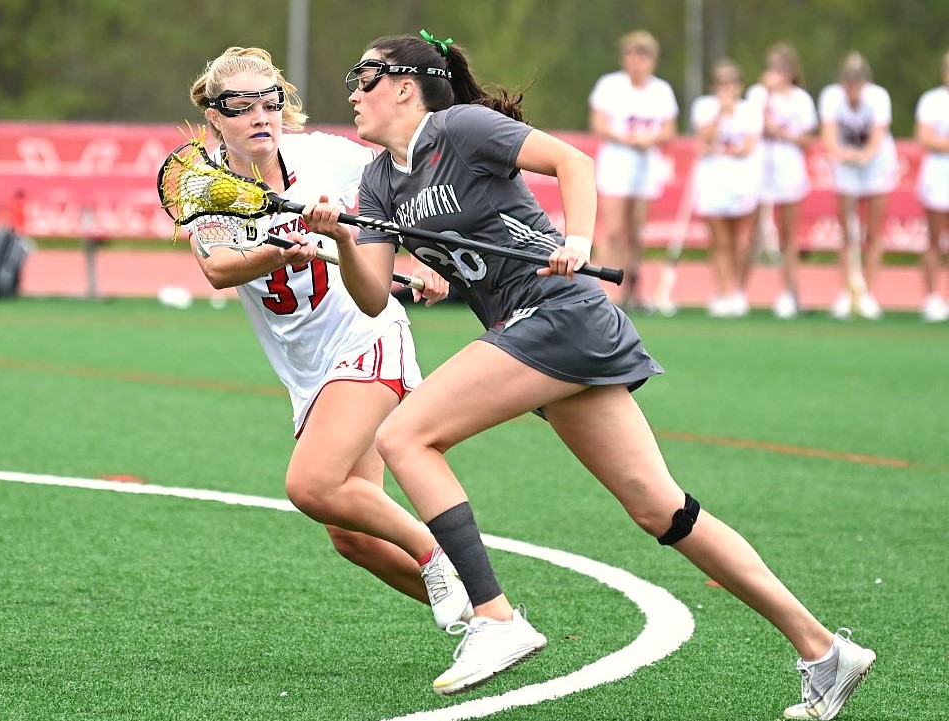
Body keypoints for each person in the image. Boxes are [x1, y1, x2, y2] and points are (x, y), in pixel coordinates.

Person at [299, 31, 876, 717]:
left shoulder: (461, 127)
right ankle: (822, 649)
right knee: (662, 509)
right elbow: (371, 295)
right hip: (531, 333)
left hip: (556, 313)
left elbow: (572, 161)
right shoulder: (380, 180)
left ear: (403, 83)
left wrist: (577, 240)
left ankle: (496, 618)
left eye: (362, 78)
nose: (352, 94)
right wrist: (340, 236)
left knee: (405, 437)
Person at [183, 45, 471, 631]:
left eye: (271, 102)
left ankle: (443, 558)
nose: (259, 116)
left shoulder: (324, 157)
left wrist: (430, 252)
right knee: (350, 536)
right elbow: (217, 266)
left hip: (366, 336)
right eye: (240, 106)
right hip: (307, 371)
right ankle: (492, 619)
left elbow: (402, 186)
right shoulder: (203, 185)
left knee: (311, 484)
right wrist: (286, 244)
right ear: (214, 116)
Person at [587, 30, 679, 310]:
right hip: (617, 164)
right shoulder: (610, 86)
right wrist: (626, 139)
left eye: (643, 56)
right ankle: (601, 289)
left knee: (635, 231)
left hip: (645, 166)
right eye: (632, 55)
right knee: (613, 229)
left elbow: (668, 129)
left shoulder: (660, 90)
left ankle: (632, 290)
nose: (637, 62)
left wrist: (648, 139)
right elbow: (599, 122)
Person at [818, 52, 898, 320]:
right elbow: (828, 136)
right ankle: (846, 291)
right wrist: (844, 155)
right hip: (846, 165)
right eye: (848, 82)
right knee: (847, 233)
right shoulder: (831, 98)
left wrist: (862, 156)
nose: (852, 88)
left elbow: (877, 137)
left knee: (873, 233)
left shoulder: (878, 98)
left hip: (875, 165)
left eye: (857, 82)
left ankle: (868, 294)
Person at [746, 42, 819, 319]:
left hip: (788, 169)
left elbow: (807, 138)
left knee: (788, 236)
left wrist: (783, 134)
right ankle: (738, 292)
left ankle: (790, 293)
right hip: (759, 169)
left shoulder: (801, 99)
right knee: (752, 233)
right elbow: (752, 124)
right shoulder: (757, 94)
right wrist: (766, 96)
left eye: (782, 68)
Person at [691, 58, 763, 317]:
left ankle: (737, 290)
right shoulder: (705, 108)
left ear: (739, 85)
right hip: (714, 181)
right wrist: (721, 112)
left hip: (741, 182)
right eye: (721, 82)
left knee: (741, 240)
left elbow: (748, 146)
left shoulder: (750, 110)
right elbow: (706, 137)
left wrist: (727, 149)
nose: (726, 87)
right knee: (720, 241)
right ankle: (725, 291)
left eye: (731, 82)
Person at [915, 50, 949, 323]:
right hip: (938, 177)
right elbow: (925, 137)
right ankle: (931, 297)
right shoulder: (932, 101)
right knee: (934, 239)